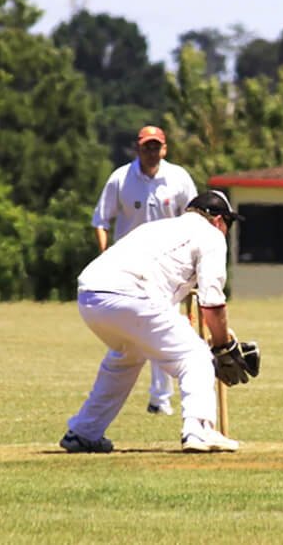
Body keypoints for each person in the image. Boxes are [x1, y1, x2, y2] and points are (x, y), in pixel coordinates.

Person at [61, 190, 255, 453]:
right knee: (195, 355)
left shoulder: (158, 228)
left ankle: (84, 431)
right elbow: (212, 301)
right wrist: (224, 347)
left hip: (89, 296)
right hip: (130, 295)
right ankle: (199, 430)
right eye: (228, 225)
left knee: (126, 358)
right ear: (219, 220)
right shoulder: (211, 235)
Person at [91, 125, 197, 416]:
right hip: (126, 271)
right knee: (129, 340)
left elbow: (195, 220)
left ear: (164, 149)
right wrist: (105, 257)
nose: (151, 152)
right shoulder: (120, 179)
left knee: (165, 330)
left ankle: (160, 399)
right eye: (146, 146)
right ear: (137, 148)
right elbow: (101, 221)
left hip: (167, 268)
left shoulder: (178, 178)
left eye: (156, 146)